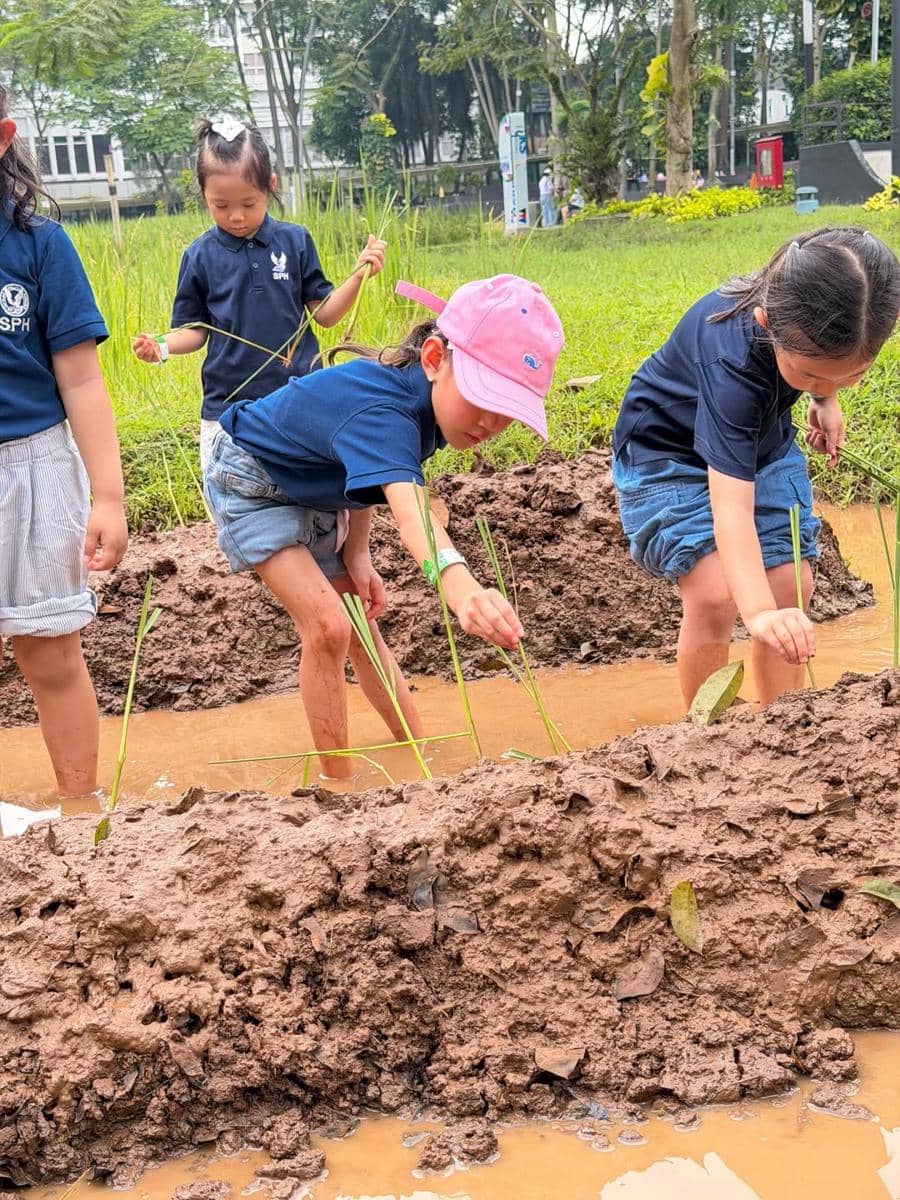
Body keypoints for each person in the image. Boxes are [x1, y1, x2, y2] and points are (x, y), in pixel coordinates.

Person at [204, 274, 565, 780]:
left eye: (507, 413)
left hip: (318, 486)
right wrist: (461, 589)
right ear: (435, 358)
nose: (490, 424)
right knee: (329, 627)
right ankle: (337, 785)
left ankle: (422, 755)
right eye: (484, 399)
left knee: (362, 624)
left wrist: (357, 553)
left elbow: (369, 476)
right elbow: (410, 508)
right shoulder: (384, 410)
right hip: (251, 479)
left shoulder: (425, 406)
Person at [611, 226, 900, 709]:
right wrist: (759, 612)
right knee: (716, 592)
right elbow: (731, 510)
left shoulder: (817, 313)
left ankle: (782, 724)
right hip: (666, 456)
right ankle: (710, 732)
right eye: (809, 372)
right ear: (768, 324)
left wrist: (822, 395)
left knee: (794, 584)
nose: (835, 382)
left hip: (759, 444)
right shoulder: (733, 366)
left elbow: (829, 354)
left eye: (855, 374)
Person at [0, 92, 128, 796]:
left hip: (35, 468)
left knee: (48, 656)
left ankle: (81, 809)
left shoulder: (40, 245)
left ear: (2, 138)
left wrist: (107, 495)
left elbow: (80, 381)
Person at [132, 117, 386, 469]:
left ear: (270, 186)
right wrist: (161, 345)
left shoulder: (295, 241)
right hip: (229, 407)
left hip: (299, 396)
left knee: (314, 490)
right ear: (203, 194)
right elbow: (196, 331)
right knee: (233, 496)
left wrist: (359, 275)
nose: (236, 217)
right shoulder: (200, 256)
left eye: (249, 204)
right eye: (220, 206)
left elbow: (325, 315)